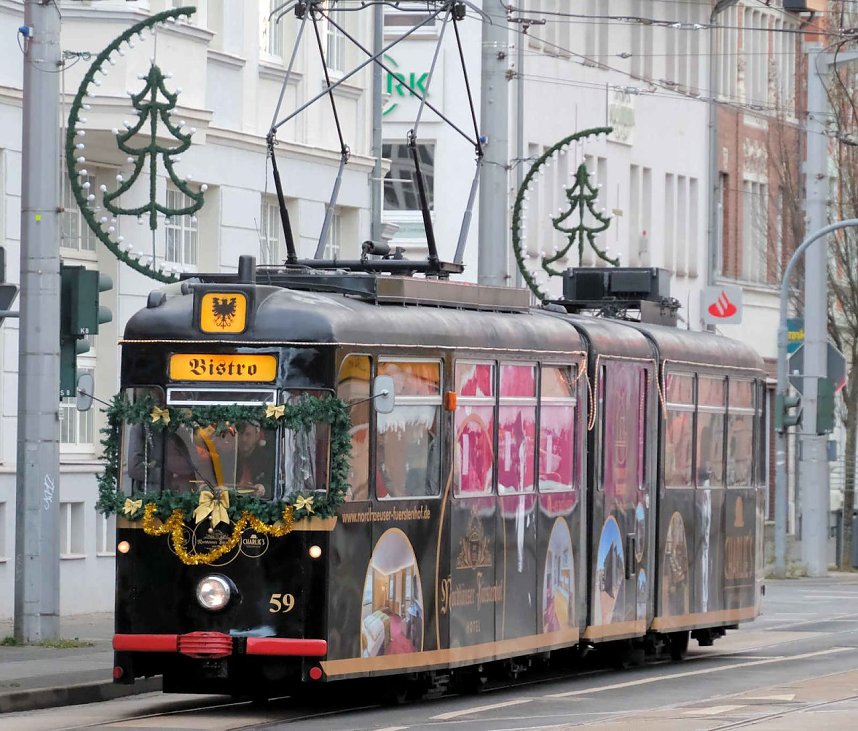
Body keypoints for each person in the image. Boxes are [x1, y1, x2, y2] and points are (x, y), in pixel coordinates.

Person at [235, 423, 270, 497]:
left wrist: (263, 489)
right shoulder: (229, 458)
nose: (243, 439)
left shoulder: (267, 460)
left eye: (248, 434)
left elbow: (272, 486)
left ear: (257, 436)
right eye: (241, 434)